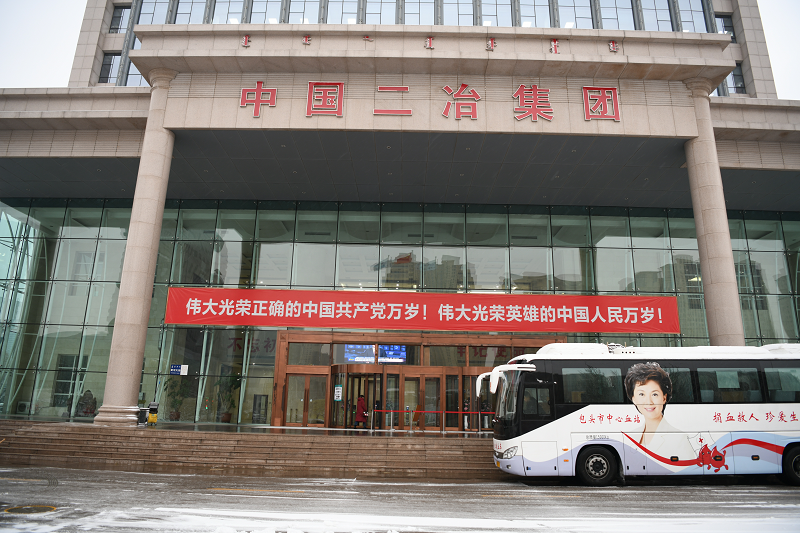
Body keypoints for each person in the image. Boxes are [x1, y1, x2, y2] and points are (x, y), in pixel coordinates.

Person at [624, 362, 695, 460]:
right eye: (641, 394)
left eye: (654, 394)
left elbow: (687, 466)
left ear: (664, 398)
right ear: (633, 399)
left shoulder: (679, 438)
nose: (649, 402)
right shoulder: (631, 436)